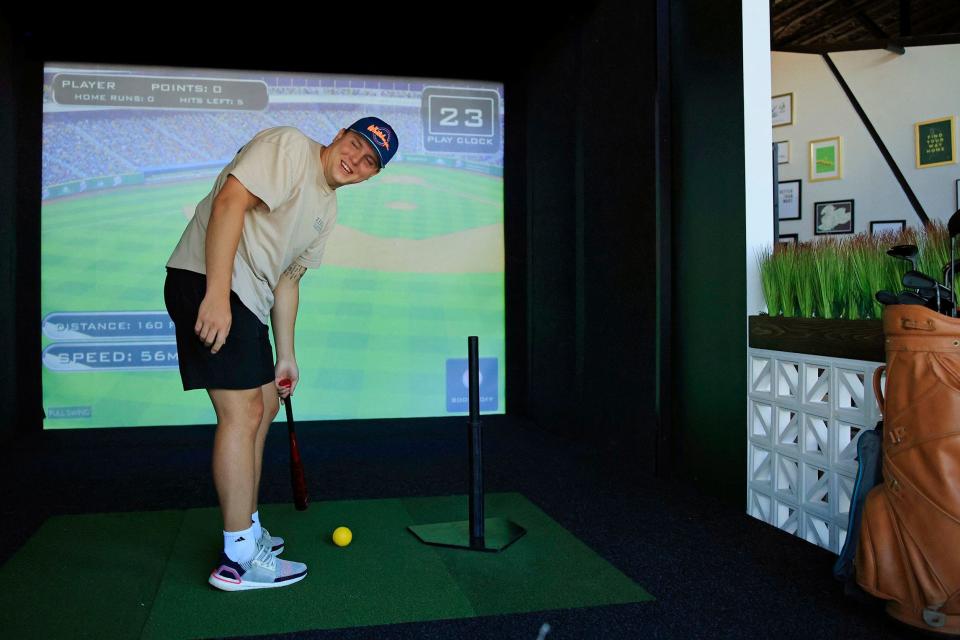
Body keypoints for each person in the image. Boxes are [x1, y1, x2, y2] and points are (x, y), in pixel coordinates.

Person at [162, 117, 398, 591]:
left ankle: (245, 528)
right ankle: (238, 558)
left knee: (265, 403)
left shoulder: (326, 208)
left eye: (369, 161)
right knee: (243, 411)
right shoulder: (290, 147)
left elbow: (288, 281)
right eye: (354, 145)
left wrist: (285, 354)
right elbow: (231, 201)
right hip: (212, 282)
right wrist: (215, 293)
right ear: (337, 137)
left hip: (248, 296)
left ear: (373, 175)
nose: (355, 160)